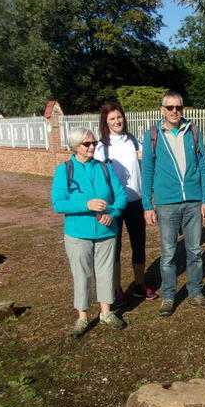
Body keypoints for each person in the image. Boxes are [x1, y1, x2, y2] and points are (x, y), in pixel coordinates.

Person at [142, 91, 205, 316]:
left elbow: (204, 166)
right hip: (166, 204)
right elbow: (147, 171)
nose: (175, 111)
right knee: (169, 253)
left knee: (194, 250)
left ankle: (195, 293)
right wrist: (147, 204)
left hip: (193, 202)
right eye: (170, 107)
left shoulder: (192, 131)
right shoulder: (153, 135)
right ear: (162, 110)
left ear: (183, 109)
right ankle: (169, 296)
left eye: (178, 107)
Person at [51, 127, 128, 338]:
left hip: (106, 231)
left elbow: (120, 195)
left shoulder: (104, 168)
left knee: (106, 273)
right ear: (75, 146)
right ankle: (83, 317)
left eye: (94, 143)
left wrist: (112, 212)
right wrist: (87, 204)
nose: (92, 146)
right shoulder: (64, 170)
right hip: (78, 233)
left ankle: (106, 313)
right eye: (87, 144)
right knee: (82, 275)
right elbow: (58, 204)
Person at [95, 101, 157, 307]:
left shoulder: (133, 141)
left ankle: (140, 284)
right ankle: (117, 288)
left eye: (119, 117)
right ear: (106, 122)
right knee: (115, 247)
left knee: (138, 244)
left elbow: (147, 163)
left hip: (136, 202)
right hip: (114, 206)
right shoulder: (101, 147)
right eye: (112, 118)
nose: (117, 121)